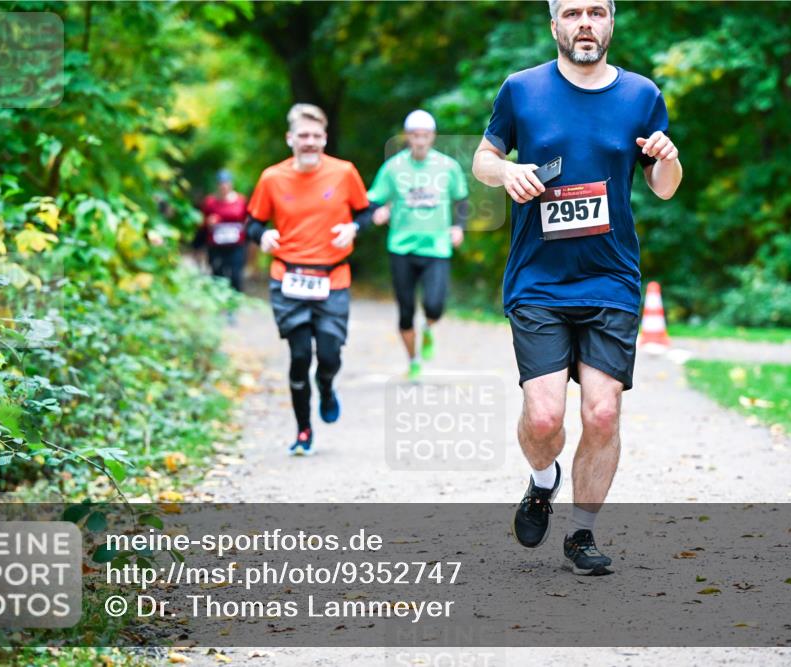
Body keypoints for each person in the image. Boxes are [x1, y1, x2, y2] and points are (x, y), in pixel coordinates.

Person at [471, 0, 683, 575]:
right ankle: (543, 482)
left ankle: (581, 534)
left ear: (612, 23)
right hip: (538, 279)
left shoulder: (641, 95)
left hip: (611, 279)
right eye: (571, 13)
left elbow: (664, 188)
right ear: (554, 25)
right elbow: (483, 159)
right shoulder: (522, 89)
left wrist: (670, 156)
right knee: (543, 419)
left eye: (595, 12)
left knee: (602, 414)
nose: (584, 23)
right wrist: (506, 171)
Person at [246, 103, 377, 456]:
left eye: (316, 136)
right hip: (288, 277)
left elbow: (365, 214)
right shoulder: (272, 178)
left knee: (330, 355)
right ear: (290, 138)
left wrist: (351, 228)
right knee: (300, 354)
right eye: (303, 135)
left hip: (332, 277)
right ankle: (303, 430)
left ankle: (327, 385)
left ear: (325, 138)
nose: (310, 142)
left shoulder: (344, 172)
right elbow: (253, 223)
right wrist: (263, 237)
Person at [367, 110, 470, 379]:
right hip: (401, 247)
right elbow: (374, 199)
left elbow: (462, 200)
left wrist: (458, 227)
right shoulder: (393, 168)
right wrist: (378, 212)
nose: (420, 141)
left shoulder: (448, 167)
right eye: (415, 135)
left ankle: (427, 328)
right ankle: (413, 361)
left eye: (425, 135)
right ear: (407, 137)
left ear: (433, 137)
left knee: (435, 306)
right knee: (405, 311)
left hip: (436, 247)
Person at [200, 169, 249, 293]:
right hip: (216, 246)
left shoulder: (241, 201)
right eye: (221, 183)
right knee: (217, 274)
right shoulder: (210, 202)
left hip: (236, 245)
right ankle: (219, 303)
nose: (224, 186)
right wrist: (208, 222)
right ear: (217, 185)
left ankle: (233, 303)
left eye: (226, 183)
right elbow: (202, 224)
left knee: (236, 275)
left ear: (231, 184)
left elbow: (247, 221)